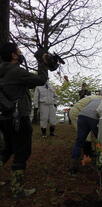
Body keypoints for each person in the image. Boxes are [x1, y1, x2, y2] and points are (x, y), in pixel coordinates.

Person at [0, 42, 58, 199]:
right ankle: (17, 189)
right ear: (13, 55)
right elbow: (40, 80)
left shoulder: (3, 70)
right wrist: (42, 62)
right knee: (22, 151)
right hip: (19, 118)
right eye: (18, 50)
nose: (20, 53)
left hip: (4, 117)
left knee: (8, 149)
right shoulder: (16, 71)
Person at [69, 97, 102, 175]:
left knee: (79, 140)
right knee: (101, 140)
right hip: (87, 115)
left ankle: (73, 167)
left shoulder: (94, 98)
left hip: (82, 115)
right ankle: (101, 164)